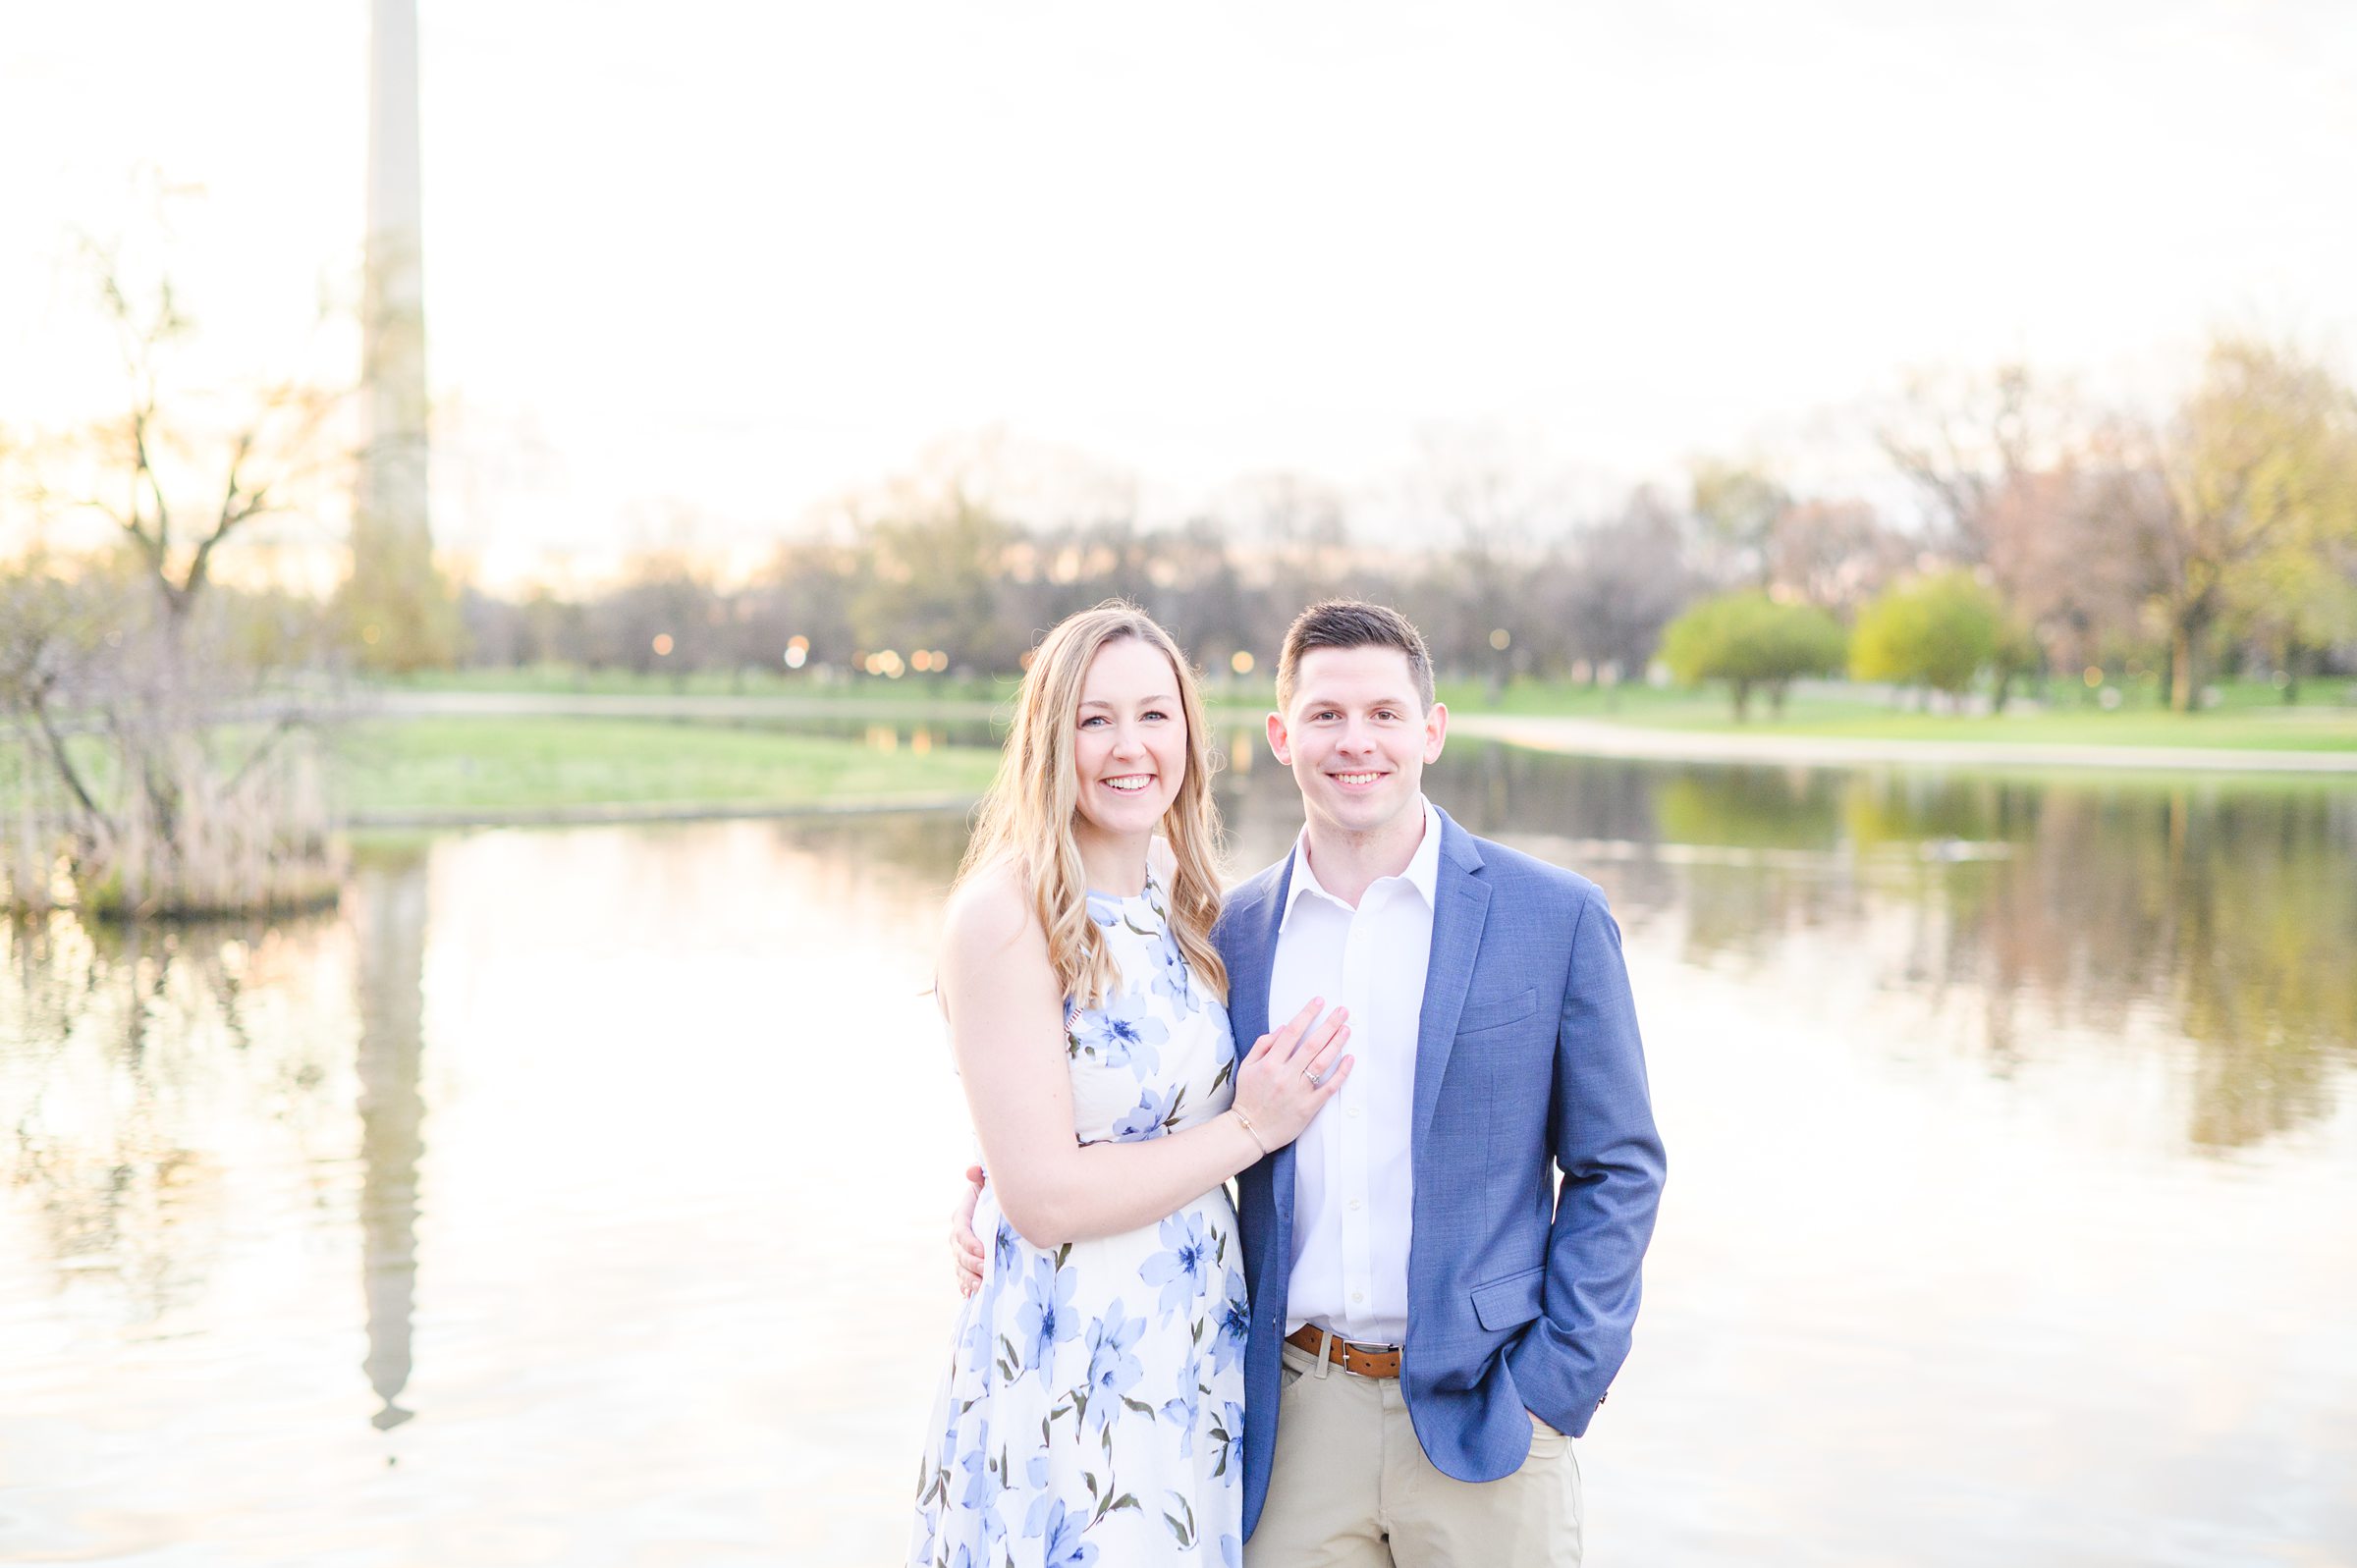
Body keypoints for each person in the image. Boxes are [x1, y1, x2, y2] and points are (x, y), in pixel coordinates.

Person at [956, 599, 1666, 1566]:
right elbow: (1128, 1088)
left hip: (1490, 1411)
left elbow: (1618, 1165)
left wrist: (1560, 1380)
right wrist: (996, 1187)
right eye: (1327, 716)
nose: (1357, 742)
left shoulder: (1555, 917)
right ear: (1282, 736)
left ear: (1433, 730)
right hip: (1283, 1414)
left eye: (1384, 714)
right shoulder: (1225, 933)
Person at [910, 601, 1354, 1568]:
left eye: (1154, 715)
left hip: (1187, 1360)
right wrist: (1249, 1130)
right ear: (1048, 736)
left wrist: (984, 1166)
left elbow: (1089, 1106)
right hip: (1071, 1363)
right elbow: (1046, 1199)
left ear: (1190, 736)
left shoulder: (1186, 896)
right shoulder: (1005, 913)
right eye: (1094, 718)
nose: (1128, 747)